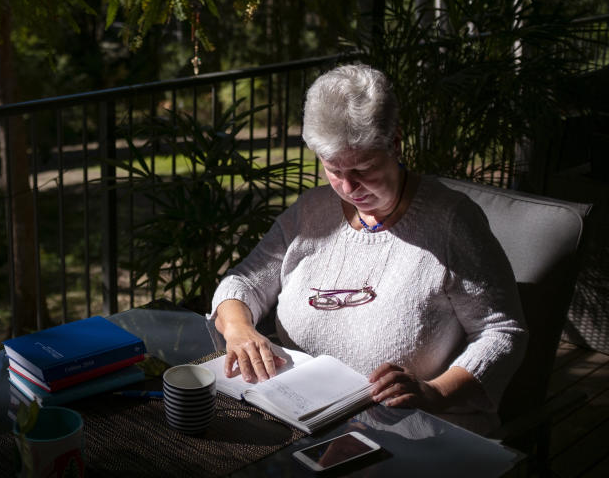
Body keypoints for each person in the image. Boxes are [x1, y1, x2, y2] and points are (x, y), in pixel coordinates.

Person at [210, 63, 527, 432]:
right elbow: (242, 283)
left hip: (414, 428)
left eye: (363, 168)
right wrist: (238, 329)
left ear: (395, 143)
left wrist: (434, 393)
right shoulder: (311, 212)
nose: (347, 187)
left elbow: (502, 331)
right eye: (333, 169)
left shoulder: (452, 223)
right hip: (301, 417)